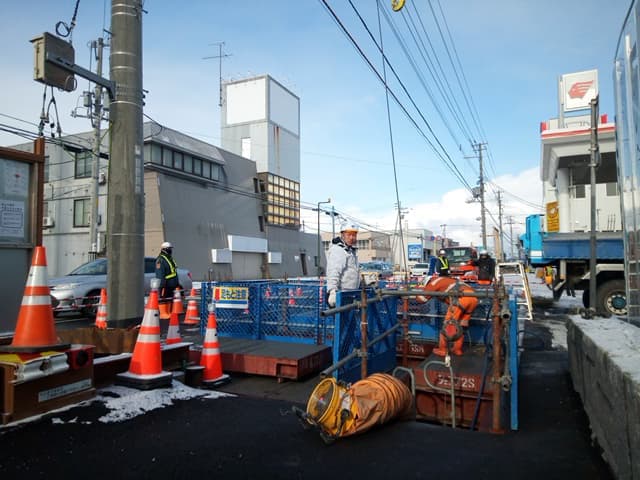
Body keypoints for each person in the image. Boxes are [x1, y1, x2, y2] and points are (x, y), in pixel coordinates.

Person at [416, 276, 478, 357]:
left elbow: (422, 299)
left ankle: (442, 350)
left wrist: (416, 293)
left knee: (448, 324)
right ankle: (457, 350)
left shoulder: (433, 283)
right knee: (462, 325)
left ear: (426, 282)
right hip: (474, 299)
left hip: (461, 299)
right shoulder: (447, 280)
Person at [326, 222, 360, 307]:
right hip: (340, 295)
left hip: (349, 294)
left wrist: (363, 281)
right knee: (341, 315)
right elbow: (333, 271)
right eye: (349, 235)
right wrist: (332, 291)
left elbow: (351, 272)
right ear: (342, 235)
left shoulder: (350, 251)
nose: (352, 238)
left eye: (354, 235)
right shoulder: (338, 250)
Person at [156, 241, 180, 319]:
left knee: (169, 297)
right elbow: (160, 273)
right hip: (165, 283)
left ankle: (168, 312)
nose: (170, 250)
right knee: (163, 298)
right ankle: (163, 313)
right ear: (164, 249)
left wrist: (176, 283)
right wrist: (162, 285)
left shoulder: (169, 258)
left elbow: (173, 271)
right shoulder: (160, 260)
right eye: (169, 248)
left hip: (171, 283)